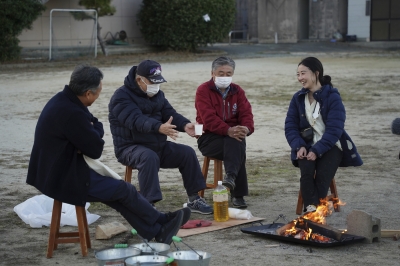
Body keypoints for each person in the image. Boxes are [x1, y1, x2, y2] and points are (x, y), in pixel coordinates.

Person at [26, 65, 190, 245]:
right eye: (98, 92)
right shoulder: (72, 112)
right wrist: (92, 129)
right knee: (124, 189)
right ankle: (161, 223)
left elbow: (95, 125)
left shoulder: (65, 100)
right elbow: (96, 149)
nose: (98, 97)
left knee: (118, 194)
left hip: (62, 168)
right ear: (88, 93)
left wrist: (92, 128)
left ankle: (158, 229)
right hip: (62, 177)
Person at [108, 60, 213, 214]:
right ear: (139, 80)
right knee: (148, 156)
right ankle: (148, 204)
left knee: (187, 153)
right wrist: (158, 127)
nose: (156, 86)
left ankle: (194, 199)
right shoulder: (121, 97)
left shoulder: (158, 94)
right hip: (129, 147)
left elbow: (169, 113)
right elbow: (136, 120)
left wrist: (185, 125)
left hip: (157, 146)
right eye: (152, 82)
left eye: (158, 82)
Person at [284, 57, 363, 213]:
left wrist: (317, 150)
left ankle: (311, 211)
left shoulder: (332, 97)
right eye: (298, 74)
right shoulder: (298, 98)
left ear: (316, 73)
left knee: (322, 175)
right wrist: (298, 146)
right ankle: (314, 210)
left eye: (303, 73)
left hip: (331, 146)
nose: (300, 78)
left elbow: (335, 129)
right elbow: (290, 126)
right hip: (306, 145)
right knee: (306, 171)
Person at [195, 56, 254, 208]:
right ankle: (237, 193)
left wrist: (246, 128)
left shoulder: (237, 91)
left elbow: (246, 113)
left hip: (233, 137)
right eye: (221, 73)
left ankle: (230, 178)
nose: (225, 77)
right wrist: (228, 130)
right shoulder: (203, 90)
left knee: (236, 140)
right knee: (236, 142)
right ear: (212, 73)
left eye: (228, 74)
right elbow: (208, 118)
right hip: (208, 137)